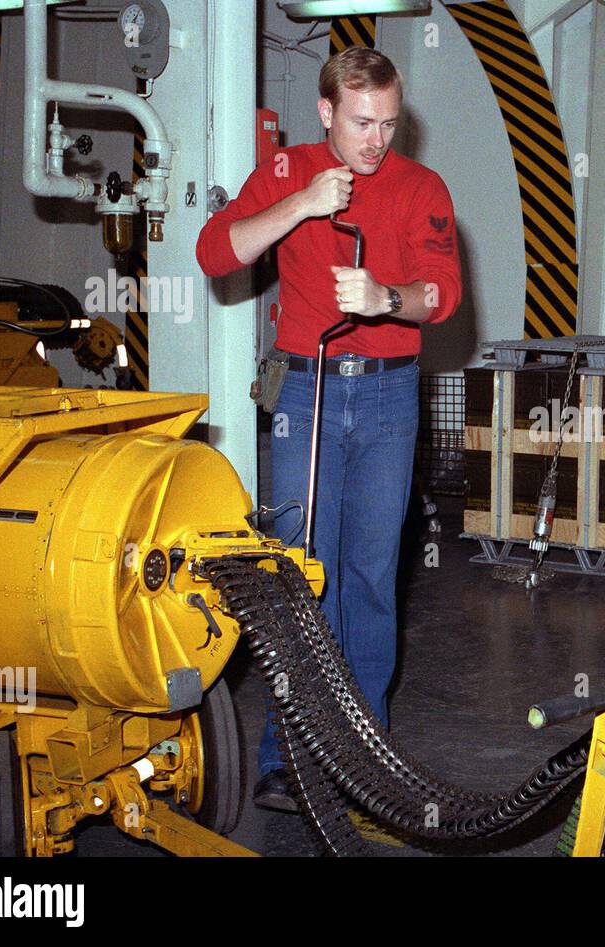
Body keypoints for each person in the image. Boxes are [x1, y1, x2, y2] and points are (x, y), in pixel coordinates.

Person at [196, 47, 461, 811]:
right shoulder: (288, 172)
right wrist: (304, 202)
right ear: (325, 113)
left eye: (388, 122)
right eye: (361, 123)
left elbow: (442, 293)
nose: (377, 140)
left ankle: (364, 751)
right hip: (305, 395)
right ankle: (286, 757)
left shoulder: (421, 187)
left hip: (386, 400)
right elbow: (217, 252)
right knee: (299, 578)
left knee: (370, 580)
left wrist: (384, 298)